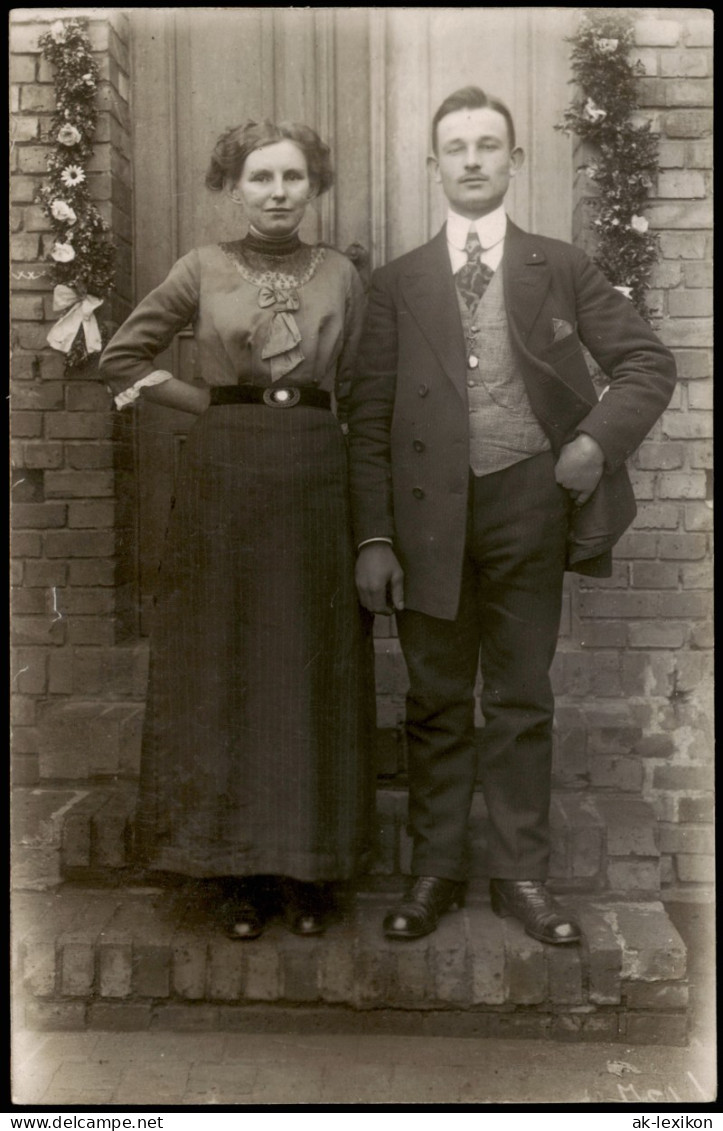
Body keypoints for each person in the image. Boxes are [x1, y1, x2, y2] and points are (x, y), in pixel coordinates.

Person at [347, 87, 676, 944]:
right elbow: (370, 419)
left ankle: (521, 874)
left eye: (487, 146)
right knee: (435, 698)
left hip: (527, 506)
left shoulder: (559, 267)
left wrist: (593, 444)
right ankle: (435, 869)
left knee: (522, 696)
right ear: (433, 164)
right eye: (454, 147)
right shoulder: (394, 284)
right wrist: (376, 536)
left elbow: (645, 362)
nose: (470, 160)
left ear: (513, 160)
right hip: (425, 520)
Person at [100, 119, 374, 940]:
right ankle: (234, 874)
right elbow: (122, 356)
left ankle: (311, 871)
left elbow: (360, 389)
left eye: (292, 178)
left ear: (313, 187)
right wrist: (206, 406)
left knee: (307, 668)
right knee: (226, 663)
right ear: (233, 186)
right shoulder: (200, 268)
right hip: (223, 478)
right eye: (260, 179)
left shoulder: (343, 277)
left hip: (316, 478)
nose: (277, 194)